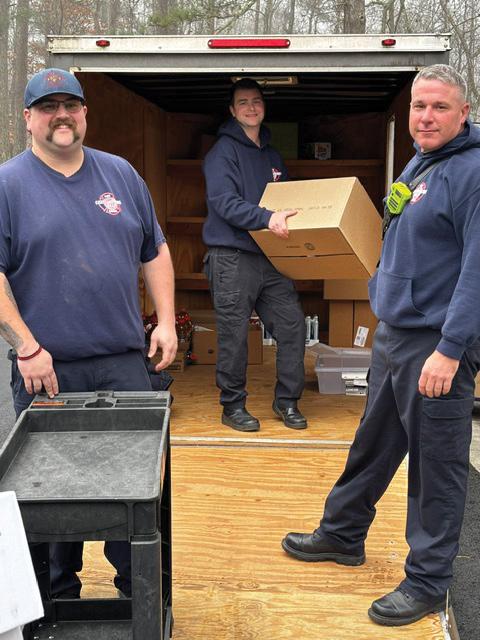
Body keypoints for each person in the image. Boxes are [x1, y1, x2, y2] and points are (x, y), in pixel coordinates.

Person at [282, 64, 480, 626]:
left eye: (440, 107)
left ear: (464, 113)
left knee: (436, 468)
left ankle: (428, 582)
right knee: (372, 443)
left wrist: (451, 349)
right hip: (396, 335)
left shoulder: (471, 173)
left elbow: (477, 271)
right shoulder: (421, 161)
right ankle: (343, 534)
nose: (426, 117)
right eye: (419, 106)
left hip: (435, 345)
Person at [0, 68, 177, 599]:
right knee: (49, 498)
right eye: (48, 107)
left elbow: (155, 250)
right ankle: (54, 603)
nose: (62, 116)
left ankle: (138, 594)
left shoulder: (120, 174)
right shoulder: (8, 184)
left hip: (123, 363)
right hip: (47, 368)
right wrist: (26, 346)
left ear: (84, 113)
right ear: (28, 118)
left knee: (137, 488)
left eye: (70, 105)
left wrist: (166, 320)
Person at [202, 78, 307, 432]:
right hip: (231, 257)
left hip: (269, 257)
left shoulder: (271, 155)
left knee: (292, 326)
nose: (251, 107)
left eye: (256, 101)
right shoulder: (222, 153)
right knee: (234, 335)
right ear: (232, 111)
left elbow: (284, 199)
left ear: (264, 106)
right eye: (243, 102)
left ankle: (287, 401)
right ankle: (232, 406)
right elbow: (224, 203)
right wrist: (267, 218)